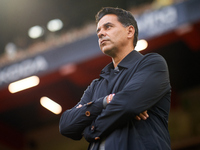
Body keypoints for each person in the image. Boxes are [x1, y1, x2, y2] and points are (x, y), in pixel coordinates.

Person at [59, 7, 171, 150]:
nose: (100, 34)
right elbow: (66, 125)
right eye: (98, 31)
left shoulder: (152, 63)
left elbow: (127, 104)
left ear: (129, 31)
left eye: (108, 27)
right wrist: (105, 102)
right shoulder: (96, 85)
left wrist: (90, 130)